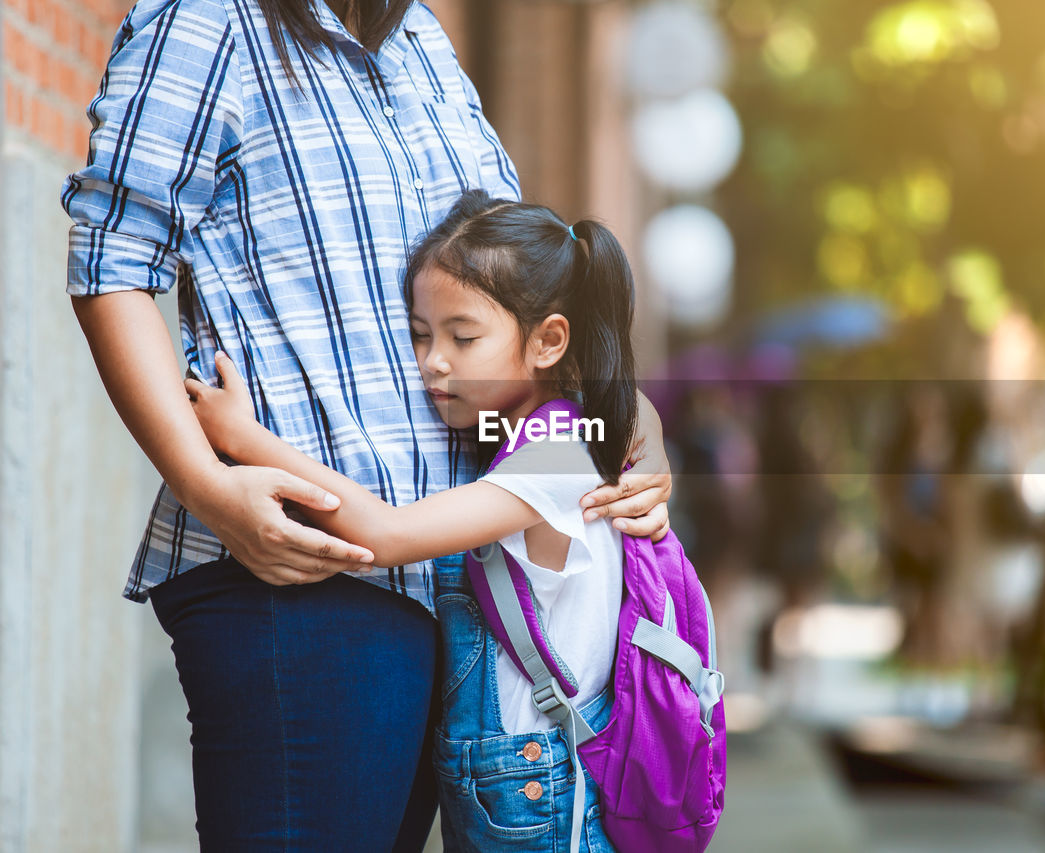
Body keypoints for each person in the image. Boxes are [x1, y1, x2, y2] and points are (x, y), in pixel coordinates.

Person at [62, 2, 670, 848]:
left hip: (450, 591)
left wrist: (633, 448)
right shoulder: (211, 20)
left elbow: (532, 308)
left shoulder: (423, 44)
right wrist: (212, 482)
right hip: (295, 572)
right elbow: (113, 257)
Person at [186, 190, 638, 851]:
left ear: (548, 341)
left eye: (463, 336)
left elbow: (385, 535)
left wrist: (243, 435)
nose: (434, 361)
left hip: (539, 791)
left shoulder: (558, 451)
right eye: (422, 335)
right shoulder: (535, 439)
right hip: (513, 782)